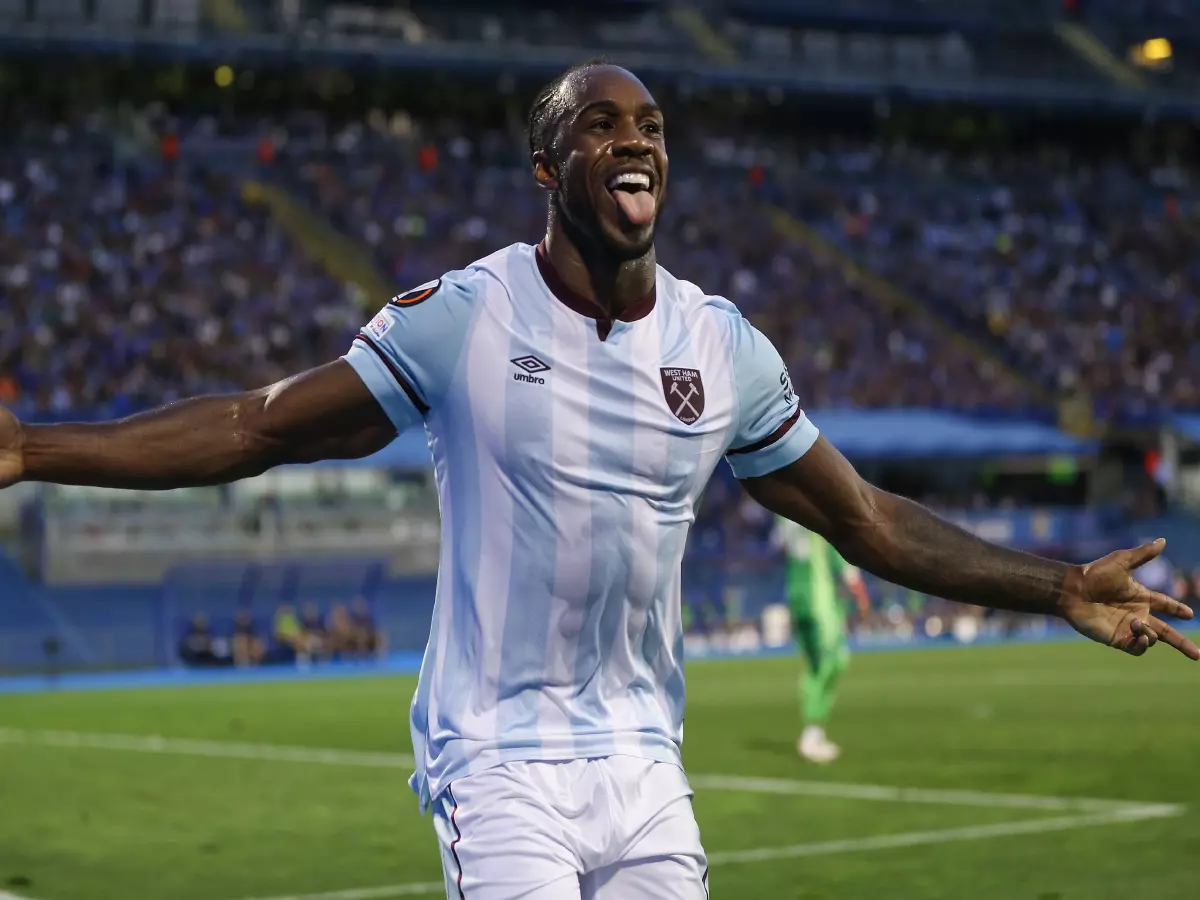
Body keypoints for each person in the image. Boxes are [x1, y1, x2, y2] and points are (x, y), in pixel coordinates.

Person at [0, 61, 1194, 900]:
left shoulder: (723, 346)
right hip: (498, 755)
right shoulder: (462, 319)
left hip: (644, 761)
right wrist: (32, 450)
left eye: (653, 125)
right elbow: (253, 428)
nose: (636, 140)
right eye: (603, 123)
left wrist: (1056, 587)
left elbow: (865, 519)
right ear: (547, 164)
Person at [775, 516, 870, 764]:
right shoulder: (815, 512)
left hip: (797, 597)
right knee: (833, 662)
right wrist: (856, 586)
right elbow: (837, 550)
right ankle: (812, 734)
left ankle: (813, 732)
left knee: (816, 665)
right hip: (819, 600)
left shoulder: (783, 512)